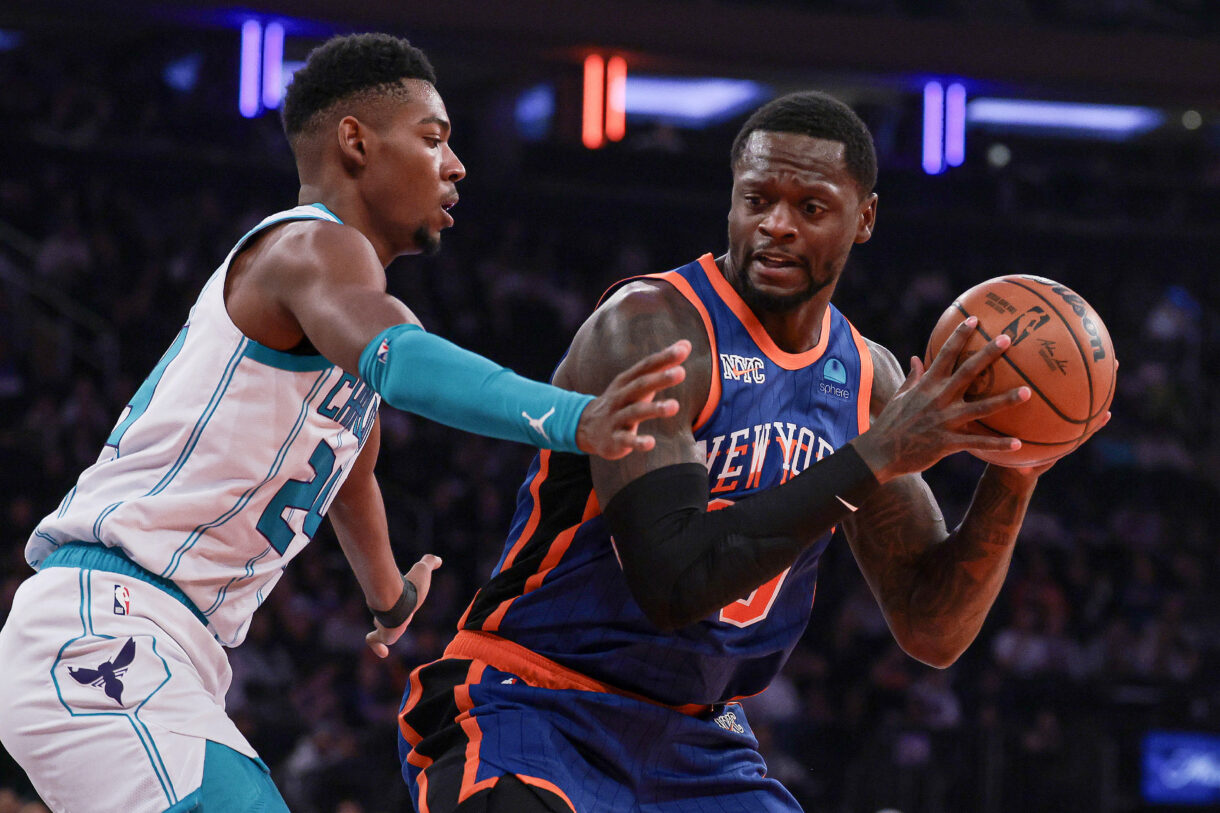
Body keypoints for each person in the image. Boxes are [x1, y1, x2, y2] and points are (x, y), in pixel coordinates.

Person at [0, 33, 689, 813]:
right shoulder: (309, 246)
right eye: (433, 139)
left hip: (168, 643)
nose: (457, 165)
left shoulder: (329, 324)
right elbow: (406, 362)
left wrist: (389, 596)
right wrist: (574, 418)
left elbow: (350, 474)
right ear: (356, 142)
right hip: (106, 618)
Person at [396, 91, 1110, 812]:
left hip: (695, 742)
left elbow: (931, 627)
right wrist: (876, 455)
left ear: (863, 218)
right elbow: (672, 581)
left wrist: (1015, 472)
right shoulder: (653, 329)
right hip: (533, 699)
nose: (777, 225)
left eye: (811, 207)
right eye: (757, 198)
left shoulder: (867, 380)